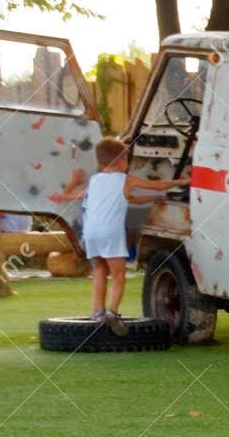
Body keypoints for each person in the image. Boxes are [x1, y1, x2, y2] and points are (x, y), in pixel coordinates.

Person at [50, 137, 186, 335]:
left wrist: (74, 181)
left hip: (91, 233)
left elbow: (69, 196)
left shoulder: (94, 181)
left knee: (99, 271)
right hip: (110, 232)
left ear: (100, 162)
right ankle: (112, 312)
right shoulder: (126, 180)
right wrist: (181, 182)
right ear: (122, 161)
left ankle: (97, 312)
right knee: (118, 275)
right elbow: (158, 185)